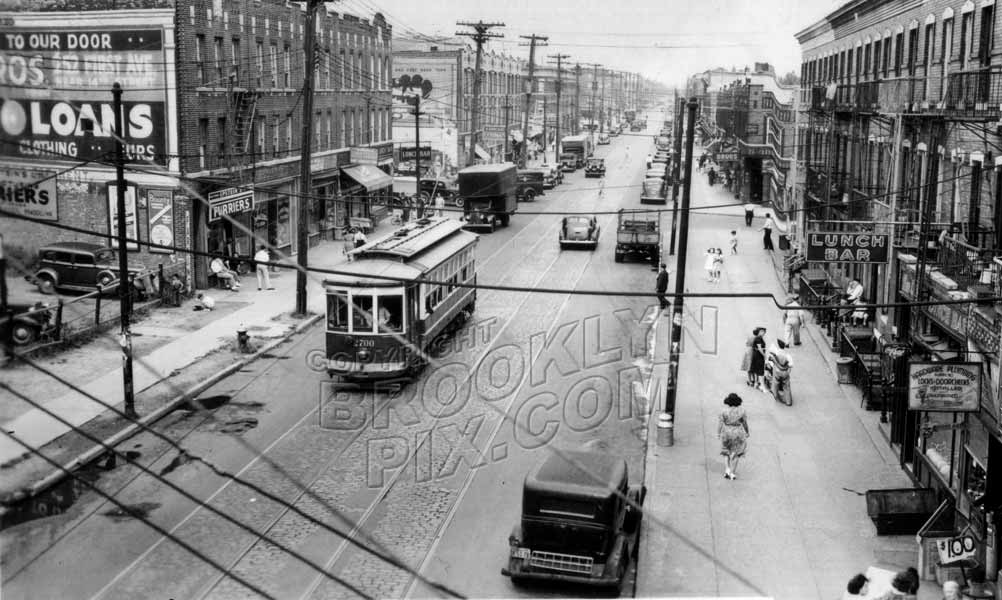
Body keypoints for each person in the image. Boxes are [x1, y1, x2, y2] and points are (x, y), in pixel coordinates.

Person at [717, 393, 749, 480]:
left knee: (726, 451)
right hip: (738, 432)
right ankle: (732, 472)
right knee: (737, 453)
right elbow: (744, 423)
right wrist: (747, 432)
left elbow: (720, 423)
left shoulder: (723, 411)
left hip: (726, 432)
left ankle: (727, 469)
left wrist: (718, 433)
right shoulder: (742, 411)